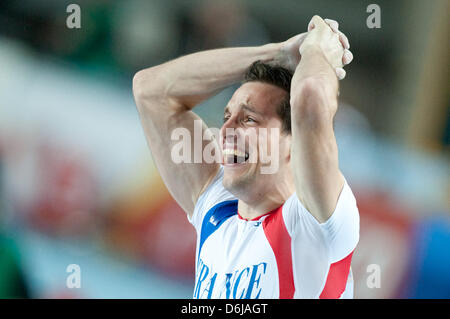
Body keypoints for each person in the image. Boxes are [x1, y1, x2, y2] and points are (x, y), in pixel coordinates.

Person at [132, 15, 359, 299]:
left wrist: (319, 49)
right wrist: (276, 54)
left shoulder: (314, 224)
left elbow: (310, 94)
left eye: (249, 119)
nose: (225, 130)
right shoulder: (216, 209)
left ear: (293, 142)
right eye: (227, 116)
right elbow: (150, 90)